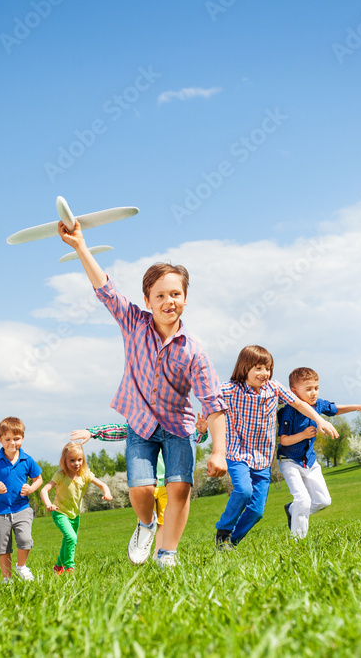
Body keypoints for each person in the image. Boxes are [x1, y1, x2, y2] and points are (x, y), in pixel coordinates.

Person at [58, 219, 228, 568]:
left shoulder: (194, 351)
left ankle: (167, 554)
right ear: (147, 300)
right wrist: (80, 246)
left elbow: (212, 404)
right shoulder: (134, 323)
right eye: (161, 295)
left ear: (185, 298)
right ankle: (146, 523)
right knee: (141, 490)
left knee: (180, 488)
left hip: (178, 427)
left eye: (176, 294)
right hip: (139, 423)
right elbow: (106, 289)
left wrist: (219, 452)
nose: (169, 301)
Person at [215, 346, 339, 548]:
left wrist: (319, 420)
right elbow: (207, 394)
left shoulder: (274, 388)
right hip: (237, 453)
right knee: (244, 491)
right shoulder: (231, 389)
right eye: (258, 368)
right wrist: (202, 424)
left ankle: (231, 543)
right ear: (244, 368)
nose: (265, 373)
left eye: (268, 368)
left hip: (263, 459)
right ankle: (224, 531)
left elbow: (299, 404)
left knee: (257, 511)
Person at [70, 412, 209, 557]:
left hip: (165, 484)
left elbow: (194, 439)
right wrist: (92, 432)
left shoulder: (174, 431)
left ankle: (159, 555)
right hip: (146, 482)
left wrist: (203, 431)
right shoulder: (142, 430)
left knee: (164, 522)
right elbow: (119, 429)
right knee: (147, 518)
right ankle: (144, 545)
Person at [278, 367, 361, 538]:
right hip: (289, 461)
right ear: (293, 391)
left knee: (323, 501)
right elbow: (283, 440)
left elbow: (334, 409)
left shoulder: (318, 404)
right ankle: (297, 540)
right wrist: (302, 435)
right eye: (308, 389)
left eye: (316, 387)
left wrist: (356, 407)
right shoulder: (288, 411)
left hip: (309, 460)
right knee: (303, 500)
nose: (313, 392)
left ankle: (292, 510)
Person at [0, 416, 43, 583]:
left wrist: (31, 488)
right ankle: (7, 578)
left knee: (25, 540)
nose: (12, 443)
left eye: (16, 438)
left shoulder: (27, 459)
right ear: (0, 439)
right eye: (7, 439)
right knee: (2, 547)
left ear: (22, 438)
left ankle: (21, 567)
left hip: (22, 508)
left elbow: (39, 479)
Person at [39, 442, 113, 574]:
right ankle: (69, 567)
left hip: (75, 515)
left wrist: (107, 493)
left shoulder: (85, 474)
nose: (76, 463)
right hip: (60, 512)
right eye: (72, 460)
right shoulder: (60, 476)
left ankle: (57, 567)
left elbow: (102, 485)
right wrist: (48, 504)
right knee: (71, 538)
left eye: (79, 460)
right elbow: (44, 490)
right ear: (65, 461)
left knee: (68, 540)